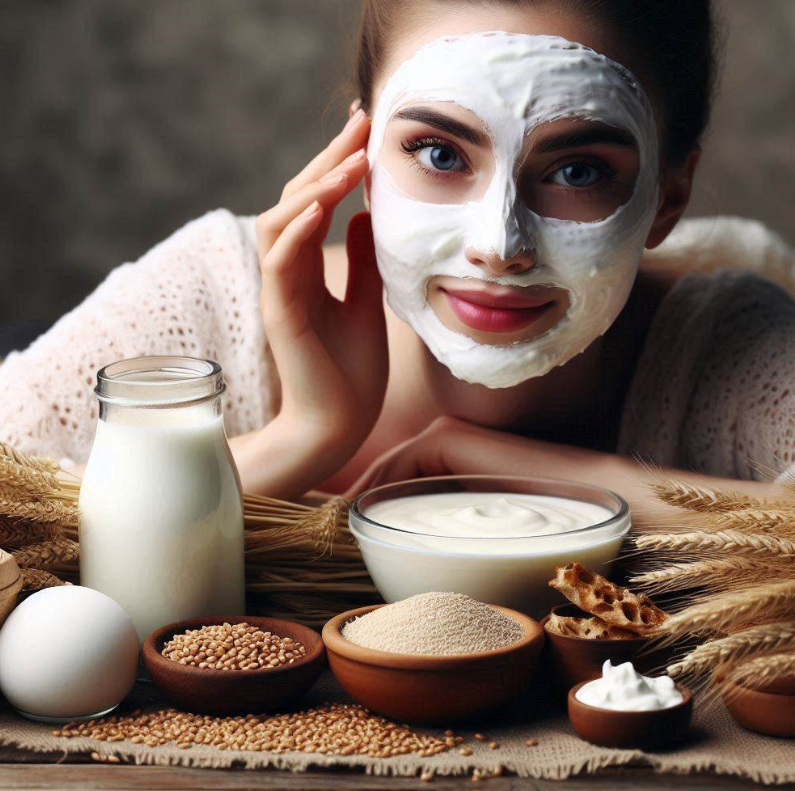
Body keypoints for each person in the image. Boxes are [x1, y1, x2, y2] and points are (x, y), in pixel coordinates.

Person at [2, 0, 795, 513]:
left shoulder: (718, 343)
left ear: (667, 197)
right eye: (440, 154)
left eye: (576, 170)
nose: (497, 246)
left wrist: (506, 465)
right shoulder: (213, 297)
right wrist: (305, 433)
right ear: (362, 155)